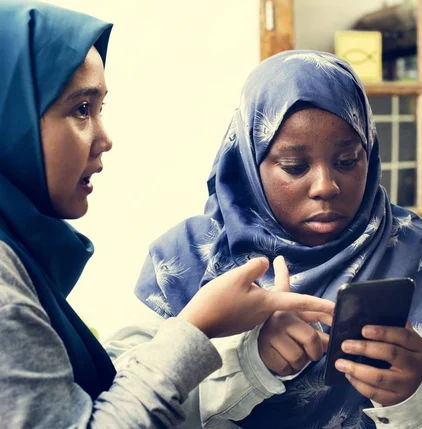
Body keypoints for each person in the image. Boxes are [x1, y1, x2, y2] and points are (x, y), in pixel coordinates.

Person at [0, 2, 335, 428]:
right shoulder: (187, 253)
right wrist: (198, 326)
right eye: (82, 108)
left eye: (347, 159)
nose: (105, 138)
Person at [133, 49, 422, 428]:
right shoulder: (189, 258)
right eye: (295, 167)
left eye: (347, 161)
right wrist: (247, 361)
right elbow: (126, 407)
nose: (326, 187)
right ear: (248, 161)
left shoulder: (420, 255)